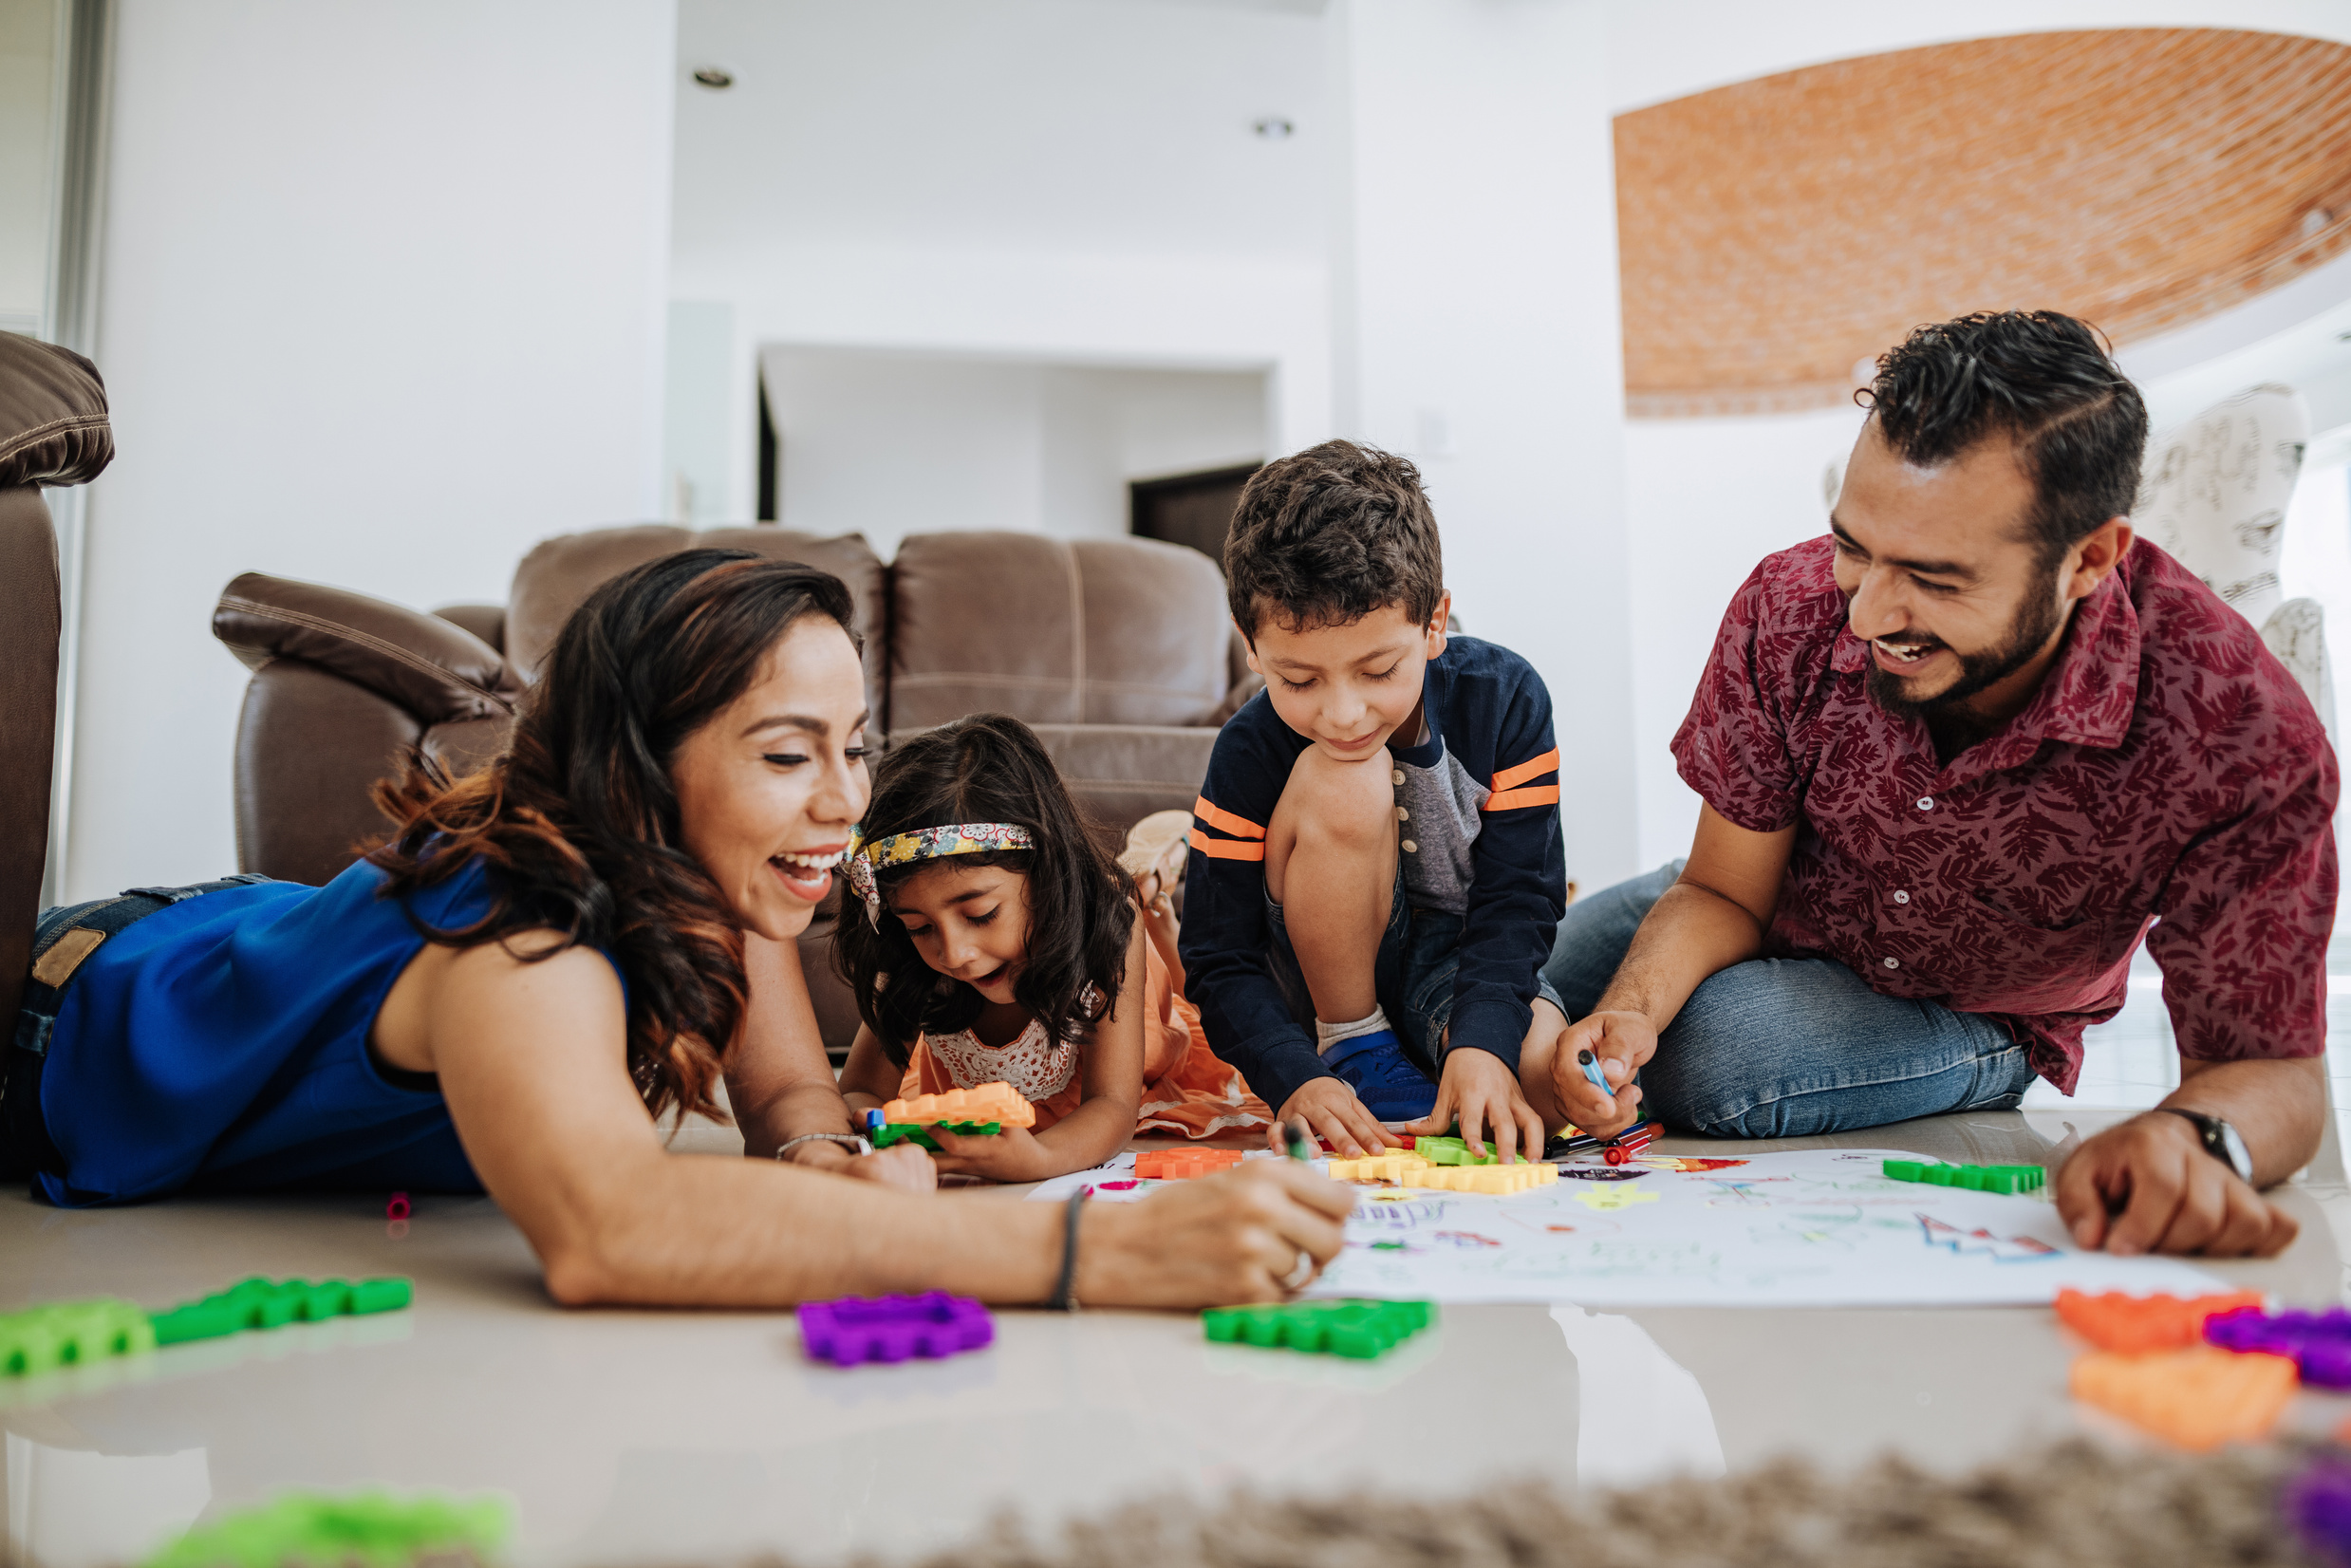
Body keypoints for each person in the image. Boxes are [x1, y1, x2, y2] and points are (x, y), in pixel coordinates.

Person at [0, 551, 1350, 1306]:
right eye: (783, 755)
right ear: (643, 772)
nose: (843, 804)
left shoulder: (726, 875)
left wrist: (824, 1152)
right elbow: (609, 1229)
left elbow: (778, 1086)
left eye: (854, 747)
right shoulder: (521, 938)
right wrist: (1080, 1253)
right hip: (57, 1011)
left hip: (234, 934)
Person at [1527, 310, 2334, 1260]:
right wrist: (1624, 1011)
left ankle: (1964, 1067)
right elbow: (1717, 889)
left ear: (2086, 558)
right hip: (1779, 900)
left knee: (1715, 1056)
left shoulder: (2232, 725)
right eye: (1854, 547)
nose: (1865, 613)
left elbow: (2270, 1072)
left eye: (1933, 579)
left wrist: (2188, 1135)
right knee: (1526, 961)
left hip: (1981, 1004)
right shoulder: (1788, 604)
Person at [1181, 440, 1569, 1165]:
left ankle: (1431, 1061)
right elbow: (1216, 954)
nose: (1345, 713)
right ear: (1250, 649)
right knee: (1344, 774)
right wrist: (1295, 1076)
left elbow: (1518, 898)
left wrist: (1482, 1043)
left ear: (1434, 623)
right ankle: (1356, 1044)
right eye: (1298, 681)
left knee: (1542, 1091)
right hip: (1311, 987)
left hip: (1454, 958)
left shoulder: (1506, 698)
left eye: (1378, 669)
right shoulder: (1246, 750)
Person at [833, 717, 1271, 1181]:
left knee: (1134, 912)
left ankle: (1153, 881)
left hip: (1105, 972)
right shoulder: (912, 957)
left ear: (1046, 875)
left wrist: (1040, 1159)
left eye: (980, 914)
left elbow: (1113, 1105)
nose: (954, 954)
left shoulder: (1107, 923)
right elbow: (859, 1091)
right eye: (919, 927)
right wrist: (869, 1138)